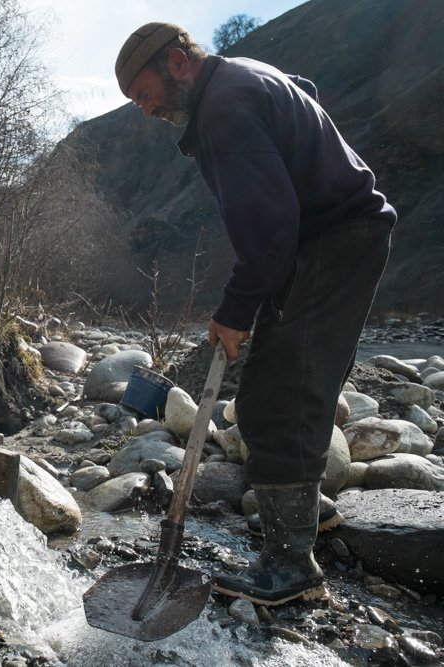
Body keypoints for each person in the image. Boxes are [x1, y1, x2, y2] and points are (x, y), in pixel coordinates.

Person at [115, 23, 396, 605]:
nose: (145, 112)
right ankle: (301, 518)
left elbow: (269, 225)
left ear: (177, 63)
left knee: (281, 393)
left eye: (144, 95)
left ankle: (292, 567)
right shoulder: (243, 78)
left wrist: (237, 308)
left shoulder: (223, 105)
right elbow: (304, 90)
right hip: (326, 239)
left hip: (330, 240)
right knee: (294, 380)